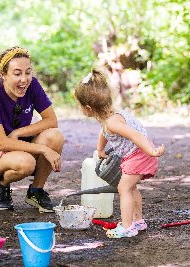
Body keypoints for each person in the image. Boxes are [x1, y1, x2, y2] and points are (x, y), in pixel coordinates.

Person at [74, 67, 165, 238]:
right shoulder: (108, 117)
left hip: (140, 154)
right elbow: (103, 132)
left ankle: (128, 227)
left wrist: (151, 151)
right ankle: (138, 221)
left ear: (87, 107)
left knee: (124, 188)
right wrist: (100, 149)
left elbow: (134, 135)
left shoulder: (113, 122)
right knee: (131, 188)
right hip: (138, 154)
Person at [0, 46, 64, 213]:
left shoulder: (33, 86)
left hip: (19, 143)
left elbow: (52, 120)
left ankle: (36, 191)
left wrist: (17, 133)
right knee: (26, 163)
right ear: (4, 75)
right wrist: (43, 149)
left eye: (28, 72)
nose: (24, 79)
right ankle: (1, 186)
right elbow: (2, 143)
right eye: (17, 73)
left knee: (55, 136)